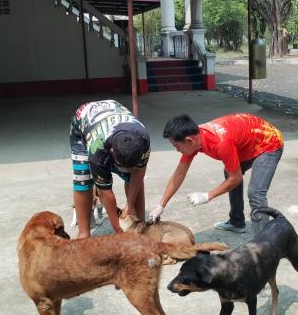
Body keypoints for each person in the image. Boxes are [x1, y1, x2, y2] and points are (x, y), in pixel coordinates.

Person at [149, 113, 283, 235]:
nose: (177, 150)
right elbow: (179, 173)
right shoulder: (196, 138)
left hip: (269, 142)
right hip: (247, 142)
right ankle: (237, 222)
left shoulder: (220, 143)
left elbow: (236, 178)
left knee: (255, 192)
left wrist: (208, 196)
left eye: (176, 146)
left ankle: (264, 243)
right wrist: (161, 205)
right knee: (229, 172)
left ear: (189, 141)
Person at [70, 100, 150, 238]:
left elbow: (138, 173)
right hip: (83, 123)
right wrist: (118, 230)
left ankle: (140, 225)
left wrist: (129, 205)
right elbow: (105, 193)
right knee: (82, 180)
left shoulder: (143, 139)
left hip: (114, 115)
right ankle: (83, 233)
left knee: (133, 178)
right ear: (111, 152)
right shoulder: (97, 149)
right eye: (119, 164)